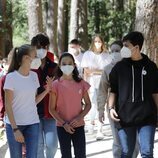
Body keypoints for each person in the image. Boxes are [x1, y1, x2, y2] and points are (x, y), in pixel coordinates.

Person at [109, 31, 158, 157]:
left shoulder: (151, 67)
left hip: (147, 117)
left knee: (147, 152)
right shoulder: (119, 68)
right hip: (124, 117)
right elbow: (113, 90)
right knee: (126, 153)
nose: (123, 49)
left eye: (126, 46)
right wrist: (110, 108)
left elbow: (155, 91)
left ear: (136, 47)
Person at [3, 44, 52, 158]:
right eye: (34, 56)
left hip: (32, 123)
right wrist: (15, 129)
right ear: (25, 58)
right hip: (14, 125)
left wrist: (46, 90)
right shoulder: (10, 78)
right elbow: (8, 105)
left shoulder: (34, 76)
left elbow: (33, 101)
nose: (37, 59)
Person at [97, 40, 139, 158]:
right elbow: (102, 91)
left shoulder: (133, 66)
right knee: (118, 142)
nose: (115, 53)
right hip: (113, 109)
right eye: (112, 51)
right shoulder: (107, 69)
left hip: (132, 108)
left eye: (117, 50)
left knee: (134, 142)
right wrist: (100, 110)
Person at [49, 53, 91, 158]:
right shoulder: (55, 85)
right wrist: (64, 124)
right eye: (64, 64)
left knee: (81, 155)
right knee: (66, 155)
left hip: (79, 125)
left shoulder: (81, 83)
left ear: (74, 65)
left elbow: (88, 104)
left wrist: (79, 118)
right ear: (59, 65)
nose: (67, 66)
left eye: (69, 63)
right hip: (62, 126)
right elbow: (51, 109)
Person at [31, 33, 58, 158]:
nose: (41, 49)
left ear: (47, 48)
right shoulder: (28, 66)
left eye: (44, 46)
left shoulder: (54, 67)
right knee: (38, 145)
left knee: (52, 145)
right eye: (37, 47)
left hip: (50, 111)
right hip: (32, 112)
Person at [81, 34, 109, 140]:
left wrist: (95, 71)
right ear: (93, 42)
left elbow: (107, 71)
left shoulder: (106, 55)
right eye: (96, 41)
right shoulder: (87, 54)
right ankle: (91, 123)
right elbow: (86, 71)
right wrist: (85, 86)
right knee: (93, 104)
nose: (98, 43)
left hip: (103, 83)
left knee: (100, 105)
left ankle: (99, 130)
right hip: (91, 83)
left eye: (99, 41)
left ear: (102, 43)